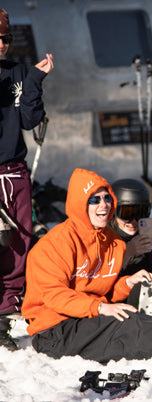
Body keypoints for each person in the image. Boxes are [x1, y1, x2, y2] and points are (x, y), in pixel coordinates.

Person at [21, 168, 152, 362]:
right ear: (80, 205)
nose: (103, 205)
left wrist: (128, 283)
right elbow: (54, 296)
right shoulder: (56, 243)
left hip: (90, 315)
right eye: (94, 200)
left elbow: (105, 289)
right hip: (56, 329)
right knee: (131, 325)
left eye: (107, 198)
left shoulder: (112, 242)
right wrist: (100, 307)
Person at [0, 8, 53, 350]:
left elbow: (30, 118)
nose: (1, 44)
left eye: (5, 38)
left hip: (14, 172)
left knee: (17, 245)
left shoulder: (17, 72)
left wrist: (34, 79)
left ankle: (3, 317)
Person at [109, 179, 152, 284]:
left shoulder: (141, 240)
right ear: (113, 213)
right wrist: (128, 254)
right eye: (126, 214)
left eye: (140, 213)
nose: (133, 221)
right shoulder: (104, 240)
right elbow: (103, 283)